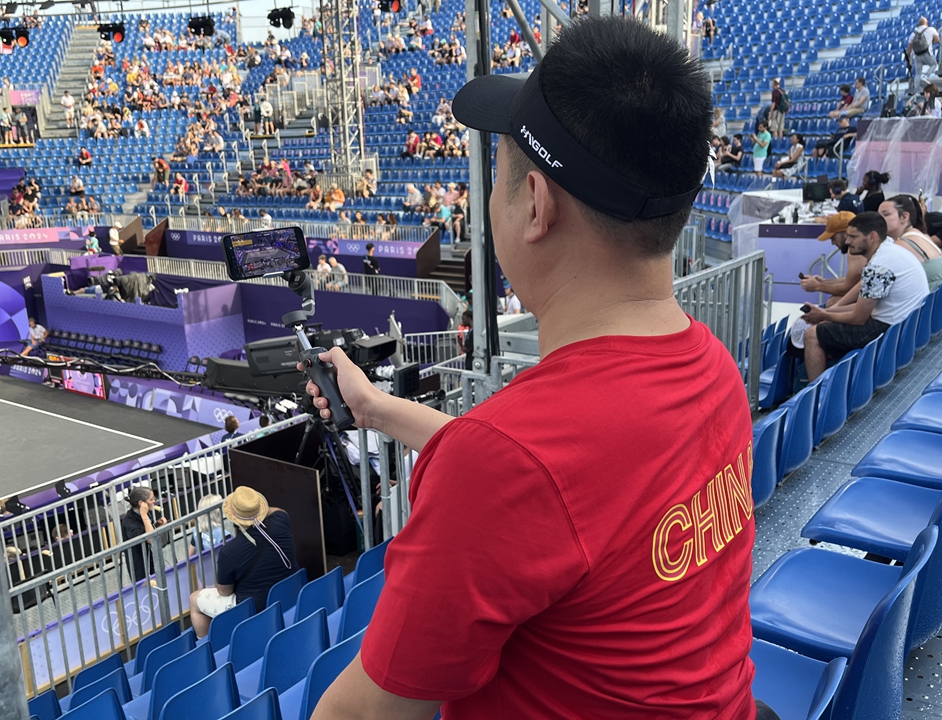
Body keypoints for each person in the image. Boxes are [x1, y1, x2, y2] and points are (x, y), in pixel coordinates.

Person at [310, 18, 761, 720]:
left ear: (536, 206)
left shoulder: (508, 464)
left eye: (498, 176)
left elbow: (364, 714)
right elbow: (558, 492)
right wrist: (373, 409)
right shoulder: (713, 371)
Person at [801, 212, 928, 381]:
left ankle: (814, 397)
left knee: (812, 334)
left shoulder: (878, 267)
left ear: (872, 237)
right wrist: (831, 313)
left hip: (889, 331)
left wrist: (824, 315)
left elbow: (858, 318)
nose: (847, 242)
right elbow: (862, 306)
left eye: (853, 237)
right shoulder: (890, 249)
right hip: (905, 326)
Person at [187, 487, 296, 638]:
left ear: (233, 518)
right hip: (289, 591)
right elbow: (275, 510)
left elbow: (224, 591)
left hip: (255, 607)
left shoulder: (229, 551)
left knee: (194, 599)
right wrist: (256, 511)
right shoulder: (282, 519)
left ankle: (205, 646)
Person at [879, 195, 942, 292]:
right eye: (878, 215)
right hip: (934, 302)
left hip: (921, 304)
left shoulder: (900, 246)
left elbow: (875, 281)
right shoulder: (922, 235)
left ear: (905, 217)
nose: (879, 219)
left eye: (886, 214)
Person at [800, 212, 866, 305]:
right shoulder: (857, 250)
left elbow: (849, 288)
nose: (832, 243)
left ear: (846, 233)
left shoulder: (856, 251)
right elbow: (852, 281)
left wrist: (817, 286)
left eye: (833, 238)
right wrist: (824, 281)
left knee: (833, 303)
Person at [120, 486, 167, 581]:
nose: (154, 501)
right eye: (151, 499)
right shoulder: (130, 523)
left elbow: (147, 530)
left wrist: (156, 525)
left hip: (152, 560)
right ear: (141, 503)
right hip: (140, 567)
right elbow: (150, 538)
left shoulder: (145, 513)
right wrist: (144, 516)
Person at [907, 17, 941, 92]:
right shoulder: (931, 29)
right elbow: (938, 39)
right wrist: (931, 42)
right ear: (926, 23)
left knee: (917, 73)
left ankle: (917, 90)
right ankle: (926, 75)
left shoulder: (913, 33)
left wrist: (908, 58)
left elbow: (909, 48)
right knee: (934, 64)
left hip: (917, 55)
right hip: (927, 52)